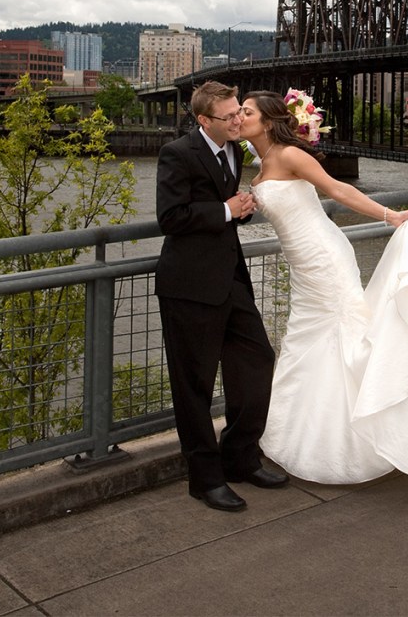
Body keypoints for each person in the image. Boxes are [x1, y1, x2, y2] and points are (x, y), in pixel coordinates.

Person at [240, 89, 408, 489]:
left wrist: (391, 215)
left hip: (325, 258)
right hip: (303, 266)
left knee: (345, 338)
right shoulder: (262, 161)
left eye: (246, 111)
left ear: (268, 121)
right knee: (306, 343)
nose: (239, 116)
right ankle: (305, 438)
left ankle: (368, 439)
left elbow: (339, 190)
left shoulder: (288, 155)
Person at [155, 80, 288, 513]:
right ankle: (205, 479)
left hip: (230, 280)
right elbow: (171, 217)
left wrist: (240, 211)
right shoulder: (177, 153)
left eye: (238, 113)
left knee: (256, 362)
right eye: (229, 116)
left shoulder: (234, 148)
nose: (237, 120)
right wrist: (227, 210)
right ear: (203, 120)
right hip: (189, 287)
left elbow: (226, 208)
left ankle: (240, 457)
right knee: (193, 386)